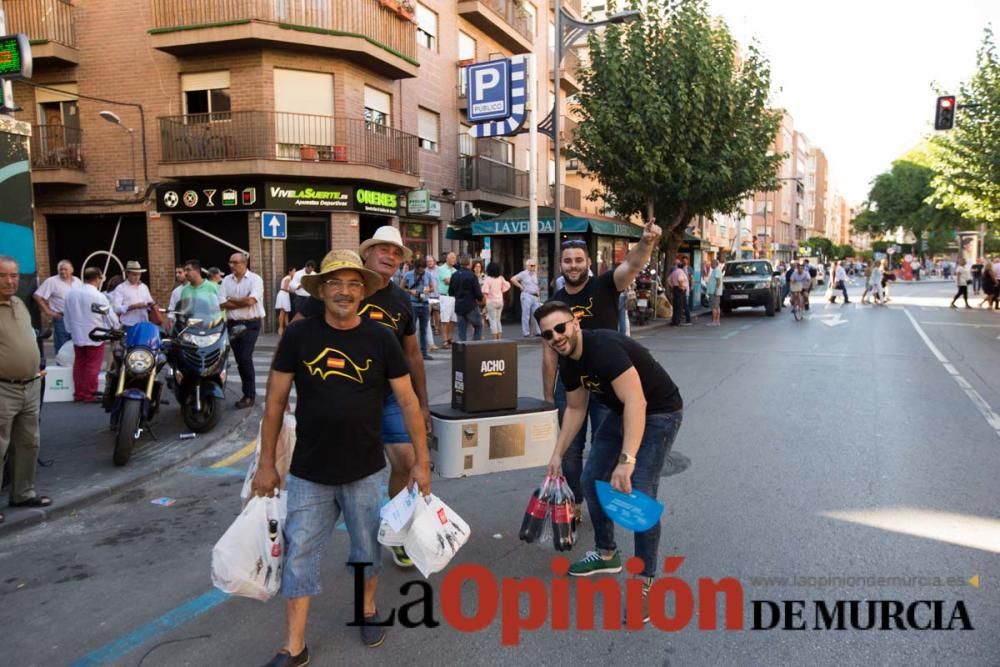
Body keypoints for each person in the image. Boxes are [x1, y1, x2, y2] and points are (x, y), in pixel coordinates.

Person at [253, 250, 430, 664]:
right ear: (322, 290)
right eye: (336, 283)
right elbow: (275, 404)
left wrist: (421, 463)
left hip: (366, 470)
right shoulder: (299, 337)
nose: (345, 292)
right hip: (309, 472)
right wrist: (266, 464)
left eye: (353, 284)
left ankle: (366, 609)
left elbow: (406, 403)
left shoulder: (380, 338)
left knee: (365, 548)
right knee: (298, 553)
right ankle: (293, 645)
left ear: (363, 293)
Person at [537, 301, 682, 620]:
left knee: (640, 495)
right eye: (548, 334)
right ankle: (606, 553)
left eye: (560, 328)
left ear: (574, 323)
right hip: (621, 412)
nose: (556, 337)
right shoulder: (569, 362)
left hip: (660, 412)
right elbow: (576, 408)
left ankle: (645, 581)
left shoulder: (603, 347)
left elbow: (636, 400)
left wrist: (627, 460)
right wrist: (557, 453)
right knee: (590, 480)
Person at [542, 219, 661, 518]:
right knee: (569, 447)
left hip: (609, 383)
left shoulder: (605, 285)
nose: (573, 265)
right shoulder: (555, 302)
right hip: (571, 383)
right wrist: (548, 398)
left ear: (588, 262)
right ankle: (577, 502)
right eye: (567, 261)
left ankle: (600, 501)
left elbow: (632, 265)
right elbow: (549, 355)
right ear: (560, 265)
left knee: (603, 446)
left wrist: (646, 242)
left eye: (578, 260)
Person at [0, 256, 51, 522]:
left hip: (30, 386)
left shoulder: (19, 303)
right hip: (3, 389)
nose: (10, 281)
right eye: (3, 275)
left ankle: (22, 493)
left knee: (29, 443)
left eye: (14, 275)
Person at [220, 252, 265, 409]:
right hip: (232, 324)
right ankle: (247, 393)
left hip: (250, 324)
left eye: (235, 262)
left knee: (245, 357)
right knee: (240, 360)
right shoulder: (226, 280)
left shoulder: (255, 280)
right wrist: (242, 301)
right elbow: (222, 303)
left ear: (244, 263)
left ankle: (249, 395)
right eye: (230, 262)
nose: (231, 265)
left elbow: (252, 300)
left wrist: (231, 300)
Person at [63, 267, 115, 402]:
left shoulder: (70, 294)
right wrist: (114, 327)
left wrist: (70, 329)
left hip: (77, 333)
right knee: (92, 365)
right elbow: (109, 316)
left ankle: (79, 393)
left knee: (79, 363)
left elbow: (66, 315)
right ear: (97, 279)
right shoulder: (99, 296)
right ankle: (90, 393)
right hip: (95, 334)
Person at [33, 259, 81, 354]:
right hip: (61, 318)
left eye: (65, 269)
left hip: (77, 319)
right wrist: (48, 312)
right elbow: (37, 295)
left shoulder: (77, 281)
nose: (62, 271)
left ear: (72, 270)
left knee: (76, 346)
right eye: (60, 269)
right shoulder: (52, 281)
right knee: (62, 347)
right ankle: (61, 366)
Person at [403, 257, 435, 360]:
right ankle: (409, 352)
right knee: (411, 329)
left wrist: (428, 290)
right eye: (420, 268)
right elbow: (401, 287)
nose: (421, 270)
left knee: (424, 330)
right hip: (413, 304)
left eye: (423, 268)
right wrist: (410, 291)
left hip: (424, 304)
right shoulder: (408, 274)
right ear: (416, 267)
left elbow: (432, 288)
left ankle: (424, 352)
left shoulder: (428, 274)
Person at [449, 254, 484, 342]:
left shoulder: (454, 275)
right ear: (469, 263)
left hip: (459, 306)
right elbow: (478, 293)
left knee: (462, 330)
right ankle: (475, 346)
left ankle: (462, 350)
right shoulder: (472, 276)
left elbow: (450, 292)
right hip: (471, 305)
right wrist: (481, 300)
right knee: (478, 325)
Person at [111, 261, 154, 331]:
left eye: (139, 274)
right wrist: (133, 306)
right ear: (128, 273)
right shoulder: (121, 288)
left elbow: (150, 302)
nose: (137, 277)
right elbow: (116, 309)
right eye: (134, 274)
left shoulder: (144, 287)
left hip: (144, 324)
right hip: (129, 325)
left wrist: (150, 305)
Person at [511, 258, 541, 337]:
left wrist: (538, 295)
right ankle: (526, 332)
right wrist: (520, 286)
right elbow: (513, 279)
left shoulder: (534, 274)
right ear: (527, 266)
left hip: (535, 296)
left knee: (536, 314)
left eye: (534, 266)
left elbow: (536, 285)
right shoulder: (523, 273)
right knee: (526, 314)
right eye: (531, 266)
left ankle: (538, 331)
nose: (533, 267)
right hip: (527, 295)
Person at [482, 262, 510, 340]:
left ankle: (495, 338)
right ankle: (499, 338)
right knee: (498, 320)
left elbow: (485, 291)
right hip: (500, 301)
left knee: (493, 320)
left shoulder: (488, 279)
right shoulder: (500, 278)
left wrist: (484, 304)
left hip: (491, 302)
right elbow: (507, 286)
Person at [436, 252, 458, 348]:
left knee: (453, 319)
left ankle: (449, 337)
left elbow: (453, 281)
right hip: (445, 296)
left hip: (454, 296)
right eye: (452, 258)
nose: (454, 260)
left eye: (455, 258)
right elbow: (447, 281)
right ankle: (444, 339)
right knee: (445, 319)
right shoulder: (441, 269)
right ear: (447, 259)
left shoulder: (455, 270)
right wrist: (457, 280)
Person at [667, 261, 691, 326]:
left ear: (677, 266)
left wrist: (672, 286)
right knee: (679, 306)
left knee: (675, 305)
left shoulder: (674, 272)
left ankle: (674, 321)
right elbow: (680, 279)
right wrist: (681, 287)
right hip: (680, 290)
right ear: (683, 267)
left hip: (675, 288)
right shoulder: (681, 272)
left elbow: (668, 280)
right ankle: (677, 322)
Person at [167, 265, 188, 331]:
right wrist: (170, 320)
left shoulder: (193, 288)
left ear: (186, 273)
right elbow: (171, 307)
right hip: (179, 324)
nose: (177, 275)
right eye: (176, 273)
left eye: (180, 272)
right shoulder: (175, 291)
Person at [275, 266, 295, 336]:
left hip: (285, 295)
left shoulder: (288, 278)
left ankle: (287, 328)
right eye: (294, 271)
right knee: (283, 311)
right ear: (290, 272)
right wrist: (293, 291)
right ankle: (280, 328)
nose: (294, 273)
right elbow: (285, 288)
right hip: (283, 295)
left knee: (286, 312)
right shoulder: (288, 278)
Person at [705, 258, 724, 326]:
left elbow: (718, 281)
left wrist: (715, 290)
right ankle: (716, 321)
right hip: (714, 291)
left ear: (715, 264)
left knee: (714, 307)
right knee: (716, 307)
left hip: (714, 292)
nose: (710, 265)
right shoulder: (715, 270)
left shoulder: (716, 270)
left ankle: (714, 321)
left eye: (711, 263)